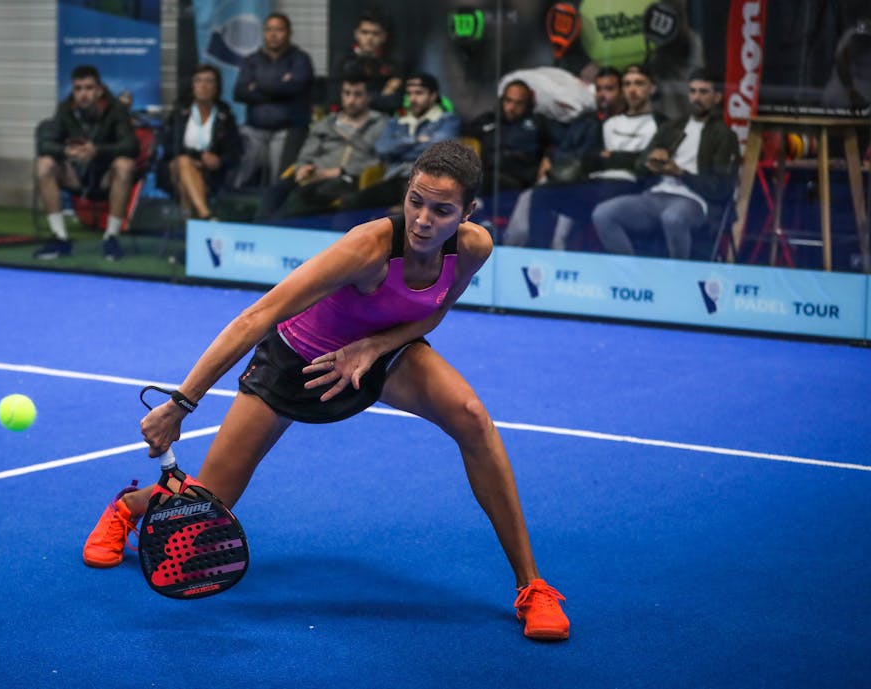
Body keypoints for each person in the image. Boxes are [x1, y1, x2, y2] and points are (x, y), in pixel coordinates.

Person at [82, 140, 572, 642]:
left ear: (468, 212)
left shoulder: (473, 247)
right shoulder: (367, 248)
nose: (424, 219)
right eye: (415, 202)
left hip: (384, 352)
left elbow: (434, 310)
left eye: (442, 210)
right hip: (298, 361)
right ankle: (130, 507)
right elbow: (258, 315)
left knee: (472, 416)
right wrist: (181, 403)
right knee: (211, 501)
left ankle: (532, 587)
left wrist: (372, 347)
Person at [592, 70, 739, 259]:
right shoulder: (672, 126)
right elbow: (639, 167)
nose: (696, 98)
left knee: (673, 218)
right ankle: (631, 273)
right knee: (603, 213)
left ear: (717, 97)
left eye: (703, 92)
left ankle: (675, 276)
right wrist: (652, 161)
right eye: (693, 91)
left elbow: (720, 188)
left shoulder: (724, 135)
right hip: (656, 193)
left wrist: (680, 173)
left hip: (694, 199)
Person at [526, 63, 661, 250]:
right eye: (628, 84)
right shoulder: (609, 123)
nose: (632, 90)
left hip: (630, 187)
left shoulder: (661, 124)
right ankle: (537, 259)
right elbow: (592, 158)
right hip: (595, 184)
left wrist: (613, 157)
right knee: (542, 195)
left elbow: (645, 163)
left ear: (651, 88)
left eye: (638, 84)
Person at [505, 66, 625, 249]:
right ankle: (525, 257)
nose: (602, 95)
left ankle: (557, 266)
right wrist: (550, 156)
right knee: (533, 198)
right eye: (599, 89)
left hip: (594, 187)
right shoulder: (585, 120)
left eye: (609, 89)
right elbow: (563, 146)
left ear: (621, 92)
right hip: (564, 179)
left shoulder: (622, 123)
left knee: (561, 233)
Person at [34, 64, 138, 261]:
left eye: (89, 88)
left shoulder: (116, 109)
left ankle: (111, 237)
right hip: (75, 173)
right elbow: (45, 144)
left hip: (105, 175)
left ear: (99, 90)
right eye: (78, 89)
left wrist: (97, 151)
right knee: (44, 164)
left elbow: (131, 146)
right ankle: (60, 238)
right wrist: (66, 151)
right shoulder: (65, 108)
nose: (83, 94)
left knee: (125, 165)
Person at [256, 73, 387, 221]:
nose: (351, 100)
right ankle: (260, 234)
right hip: (313, 174)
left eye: (358, 95)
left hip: (347, 178)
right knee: (274, 192)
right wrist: (303, 167)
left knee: (304, 196)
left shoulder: (380, 124)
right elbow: (306, 154)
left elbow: (379, 161)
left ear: (368, 97)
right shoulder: (327, 123)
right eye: (347, 93)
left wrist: (339, 171)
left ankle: (280, 233)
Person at [338, 72, 460, 212]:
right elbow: (382, 148)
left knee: (406, 208)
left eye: (419, 93)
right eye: (409, 94)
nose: (413, 99)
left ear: (433, 96)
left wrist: (399, 147)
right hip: (395, 179)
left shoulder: (447, 120)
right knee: (350, 203)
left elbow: (437, 149)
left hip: (429, 181)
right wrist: (416, 140)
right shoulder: (397, 122)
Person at [231, 12, 315, 189]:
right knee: (240, 172)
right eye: (269, 30)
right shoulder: (251, 61)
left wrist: (257, 86)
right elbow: (239, 93)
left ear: (289, 33)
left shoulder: (300, 59)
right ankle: (232, 206)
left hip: (286, 131)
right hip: (254, 130)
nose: (273, 34)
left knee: (280, 181)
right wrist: (279, 86)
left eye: (279, 30)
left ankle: (276, 213)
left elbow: (295, 88)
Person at [156, 64, 242, 222]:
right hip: (172, 169)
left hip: (209, 173)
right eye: (198, 81)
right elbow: (168, 145)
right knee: (184, 162)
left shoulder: (225, 115)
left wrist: (219, 160)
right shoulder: (180, 111)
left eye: (209, 81)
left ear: (217, 87)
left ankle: (190, 223)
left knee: (185, 184)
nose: (203, 86)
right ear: (192, 86)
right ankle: (206, 216)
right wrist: (198, 156)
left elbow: (235, 151)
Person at [329, 9, 404, 115]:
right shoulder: (343, 60)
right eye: (365, 32)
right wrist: (381, 95)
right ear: (356, 34)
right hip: (348, 119)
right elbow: (335, 97)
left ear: (384, 37)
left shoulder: (392, 63)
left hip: (381, 120)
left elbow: (395, 102)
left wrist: (357, 97)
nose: (369, 38)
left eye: (375, 34)